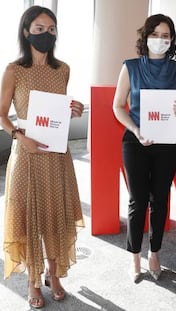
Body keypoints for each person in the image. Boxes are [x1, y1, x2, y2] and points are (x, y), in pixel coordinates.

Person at [0, 6, 85, 309]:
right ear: (26, 32)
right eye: (39, 28)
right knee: (29, 216)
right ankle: (33, 280)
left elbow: (57, 109)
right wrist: (20, 137)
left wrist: (74, 109)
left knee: (54, 214)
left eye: (51, 29)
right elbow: (2, 116)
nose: (46, 34)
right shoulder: (13, 69)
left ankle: (54, 273)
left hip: (55, 154)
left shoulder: (63, 69)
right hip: (26, 152)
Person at [112, 14, 176, 282]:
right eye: (155, 35)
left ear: (172, 40)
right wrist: (135, 129)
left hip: (168, 142)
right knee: (138, 199)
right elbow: (118, 106)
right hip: (136, 141)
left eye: (165, 36)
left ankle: (154, 253)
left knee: (160, 199)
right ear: (145, 38)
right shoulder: (130, 67)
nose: (160, 40)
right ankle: (134, 256)